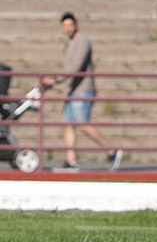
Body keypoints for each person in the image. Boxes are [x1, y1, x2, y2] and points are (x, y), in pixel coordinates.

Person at [42, 12, 123, 172]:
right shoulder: (69, 44)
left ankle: (111, 151)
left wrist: (56, 79)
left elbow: (75, 68)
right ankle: (71, 162)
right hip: (72, 91)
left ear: (76, 24)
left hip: (84, 89)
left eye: (70, 25)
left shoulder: (83, 41)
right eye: (64, 26)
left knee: (82, 124)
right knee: (67, 124)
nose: (67, 29)